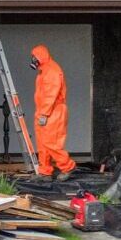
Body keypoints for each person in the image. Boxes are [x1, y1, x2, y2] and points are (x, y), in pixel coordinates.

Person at [29, 44, 77, 177]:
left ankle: (68, 166)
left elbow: (51, 94)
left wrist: (44, 113)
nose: (33, 60)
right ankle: (45, 171)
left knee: (51, 143)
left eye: (34, 57)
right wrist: (42, 113)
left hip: (53, 111)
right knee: (42, 144)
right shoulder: (45, 70)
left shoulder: (52, 70)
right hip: (45, 110)